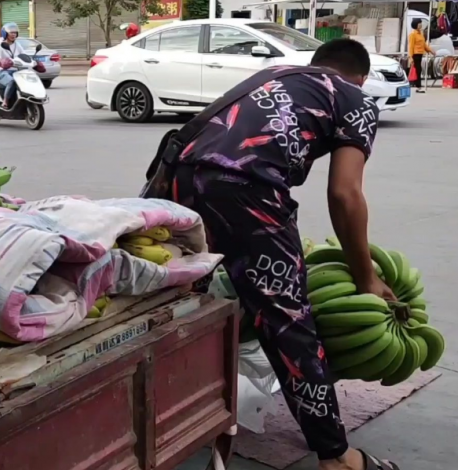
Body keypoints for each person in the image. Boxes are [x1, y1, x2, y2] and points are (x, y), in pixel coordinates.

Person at [169, 39, 400, 470]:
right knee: (289, 321)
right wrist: (365, 276)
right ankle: (336, 457)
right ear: (362, 77)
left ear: (317, 65)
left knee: (173, 302)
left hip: (175, 171)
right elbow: (345, 193)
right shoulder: (356, 99)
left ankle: (173, 408)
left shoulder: (277, 76)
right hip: (243, 187)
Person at [0, 23, 25, 109]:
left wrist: (34, 62)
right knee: (12, 82)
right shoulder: (0, 45)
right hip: (2, 72)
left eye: (15, 33)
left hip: (16, 71)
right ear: (5, 33)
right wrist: (1, 62)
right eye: (11, 33)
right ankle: (5, 101)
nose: (13, 34)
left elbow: (24, 55)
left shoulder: (17, 45)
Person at [408, 18, 434, 93]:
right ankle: (418, 86)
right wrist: (410, 57)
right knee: (418, 70)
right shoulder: (413, 34)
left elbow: (424, 45)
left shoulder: (420, 34)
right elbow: (411, 46)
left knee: (418, 70)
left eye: (421, 23)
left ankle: (418, 86)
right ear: (416, 25)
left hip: (420, 54)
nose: (421, 25)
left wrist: (431, 51)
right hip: (415, 55)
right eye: (419, 23)